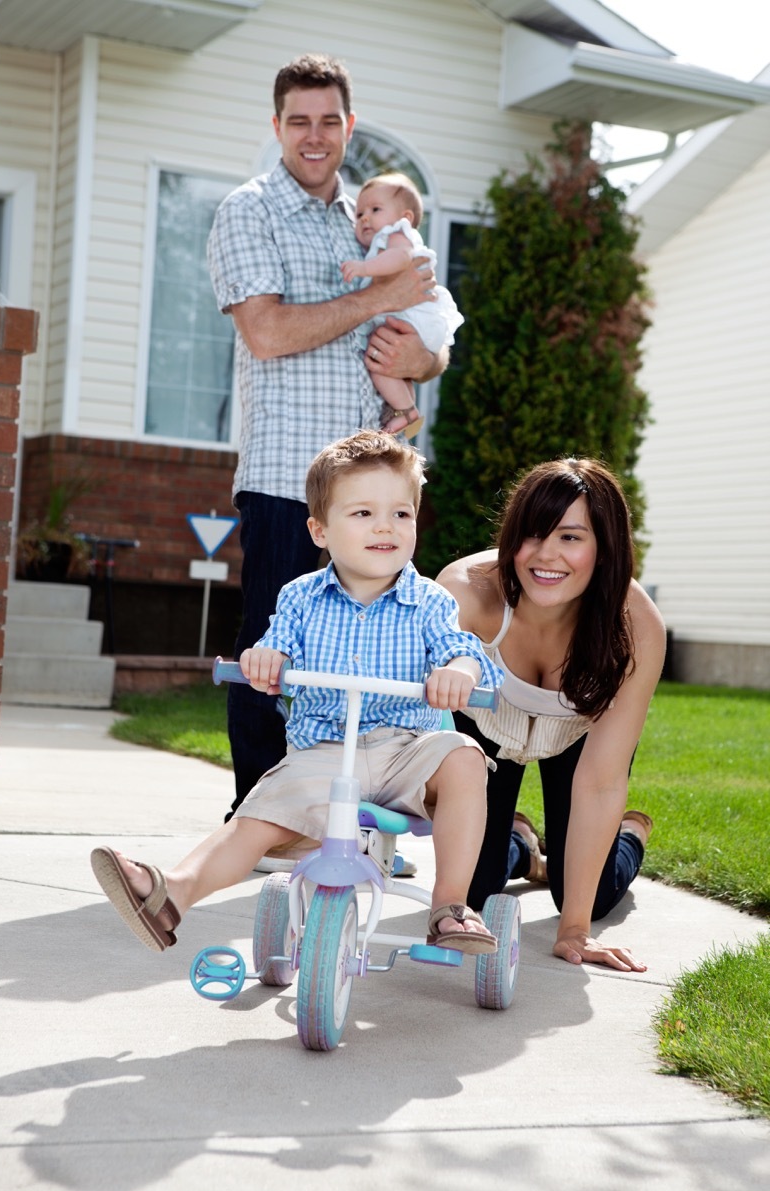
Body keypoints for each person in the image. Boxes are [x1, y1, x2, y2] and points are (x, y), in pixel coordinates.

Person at [91, 432, 504, 954]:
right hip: (325, 754)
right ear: (319, 530)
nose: (385, 526)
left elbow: (462, 650)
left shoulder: (430, 602)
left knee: (465, 757)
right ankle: (171, 892)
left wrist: (461, 671)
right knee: (254, 818)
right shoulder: (300, 598)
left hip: (407, 752)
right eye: (362, 514)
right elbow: (273, 648)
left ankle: (450, 906)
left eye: (401, 514)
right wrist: (265, 661)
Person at [207, 53, 449, 826]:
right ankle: (259, 821)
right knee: (272, 655)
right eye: (298, 121)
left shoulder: (374, 217)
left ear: (348, 125)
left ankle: (345, 816)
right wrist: (380, 296)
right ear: (276, 126)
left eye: (329, 120)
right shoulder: (249, 211)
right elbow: (270, 331)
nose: (315, 136)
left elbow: (427, 331)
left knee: (375, 658)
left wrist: (425, 358)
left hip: (375, 487)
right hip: (288, 477)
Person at [436, 457, 666, 972]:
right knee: (475, 891)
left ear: (604, 547)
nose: (546, 556)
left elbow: (601, 783)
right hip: (487, 728)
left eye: (570, 537)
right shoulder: (465, 592)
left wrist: (576, 932)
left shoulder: (636, 625)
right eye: (533, 535)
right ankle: (518, 840)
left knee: (588, 896)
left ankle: (630, 833)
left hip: (576, 736)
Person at [341, 173, 463, 438]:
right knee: (394, 366)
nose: (364, 218)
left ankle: (407, 411)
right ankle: (406, 410)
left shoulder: (396, 234)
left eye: (375, 209)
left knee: (377, 362)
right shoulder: (386, 238)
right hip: (413, 319)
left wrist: (363, 267)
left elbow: (399, 258)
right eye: (360, 213)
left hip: (412, 317)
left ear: (405, 217)